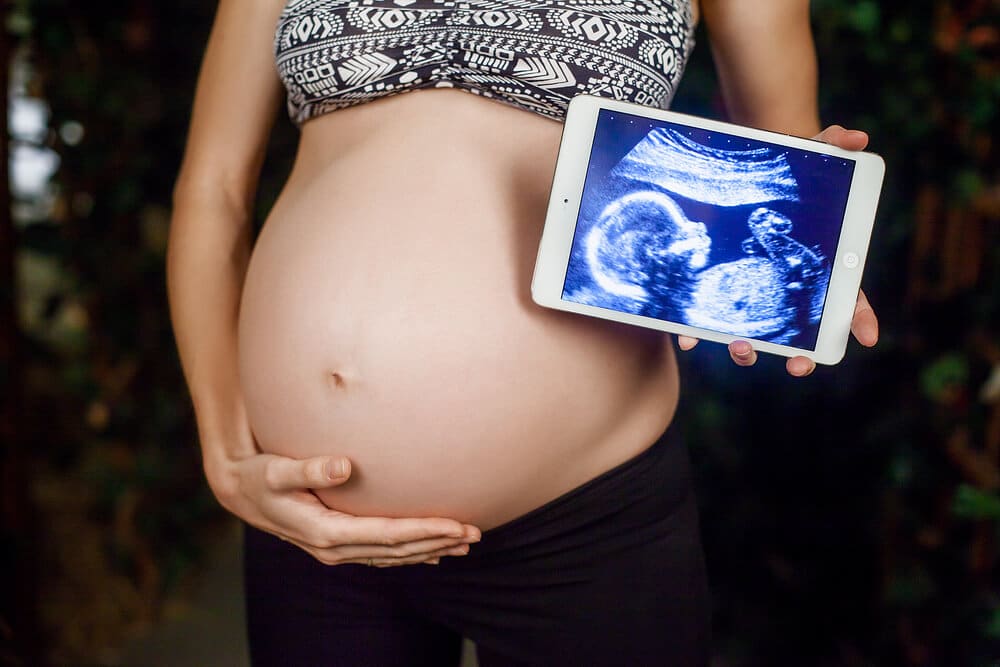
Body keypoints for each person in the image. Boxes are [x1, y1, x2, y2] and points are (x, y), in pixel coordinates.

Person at [167, 0, 878, 664]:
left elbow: (788, 164)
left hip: (587, 523)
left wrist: (802, 254)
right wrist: (226, 455)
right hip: (308, 523)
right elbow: (213, 188)